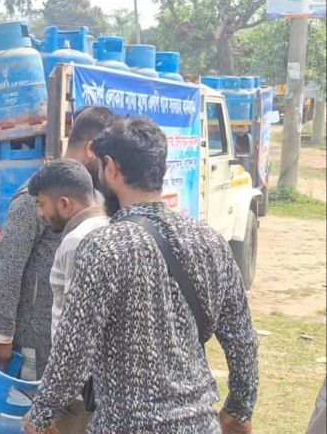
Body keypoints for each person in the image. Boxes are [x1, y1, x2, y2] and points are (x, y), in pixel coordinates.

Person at [24, 117, 259, 434]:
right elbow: (242, 339)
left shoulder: (104, 247)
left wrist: (40, 415)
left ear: (111, 167)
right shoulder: (209, 241)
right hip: (199, 424)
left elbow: (73, 349)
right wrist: (239, 409)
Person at [0, 106, 119, 378]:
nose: (110, 166)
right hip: (36, 342)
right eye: (106, 157)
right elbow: (8, 264)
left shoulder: (94, 196)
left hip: (72, 341)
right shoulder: (35, 197)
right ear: (91, 149)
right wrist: (1, 336)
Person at [25, 158, 109, 433]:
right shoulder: (108, 226)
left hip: (79, 393)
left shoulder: (76, 242)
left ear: (64, 204)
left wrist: (51, 402)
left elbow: (77, 333)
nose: (40, 214)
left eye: (41, 204)